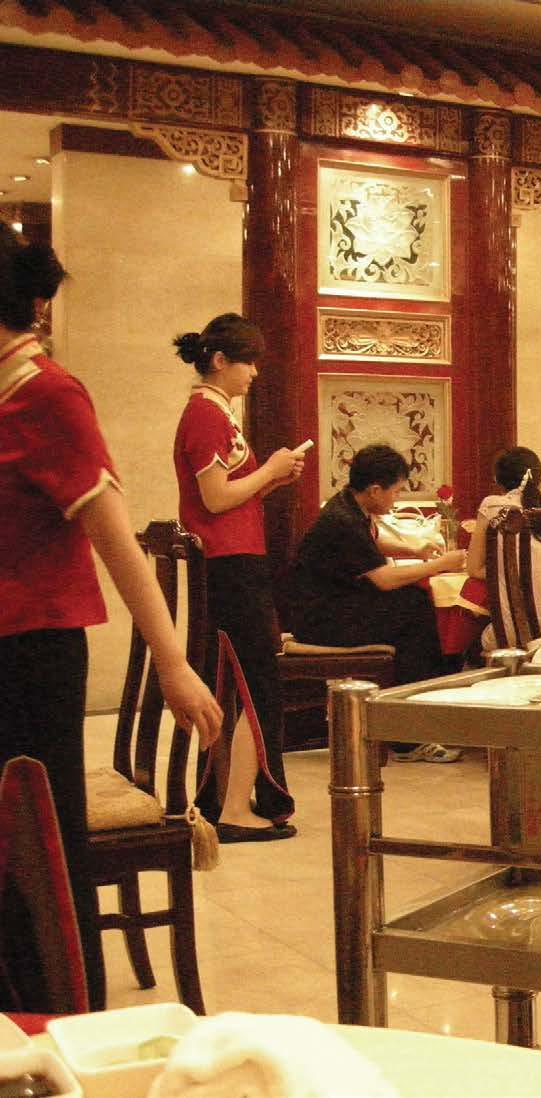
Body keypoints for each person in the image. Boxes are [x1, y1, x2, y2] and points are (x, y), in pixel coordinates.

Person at [0, 228, 222, 1009]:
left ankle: (59, 1026)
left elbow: (115, 537)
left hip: (25, 661)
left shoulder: (46, 393)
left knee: (30, 861)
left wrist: (172, 660)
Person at [172, 314, 301, 842]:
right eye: (247, 361)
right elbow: (214, 499)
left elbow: (227, 499)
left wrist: (269, 480)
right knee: (251, 684)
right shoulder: (205, 415)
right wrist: (268, 472)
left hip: (233, 557)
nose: (253, 373)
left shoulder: (217, 412)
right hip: (228, 564)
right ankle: (232, 808)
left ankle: (227, 798)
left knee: (241, 683)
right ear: (220, 360)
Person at [287, 443, 466, 763]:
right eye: (395, 492)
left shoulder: (350, 506)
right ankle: (406, 737)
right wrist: (441, 565)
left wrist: (416, 551)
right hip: (321, 622)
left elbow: (372, 542)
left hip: (333, 608)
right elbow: (384, 579)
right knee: (414, 612)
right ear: (374, 490)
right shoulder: (342, 520)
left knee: (414, 602)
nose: (396, 498)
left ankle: (409, 723)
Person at [467, 446, 541, 643]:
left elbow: (474, 569)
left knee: (472, 634)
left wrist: (508, 571)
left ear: (497, 481)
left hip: (517, 634)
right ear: (540, 480)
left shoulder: (492, 506)